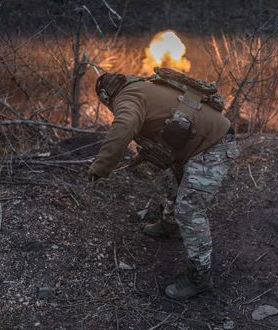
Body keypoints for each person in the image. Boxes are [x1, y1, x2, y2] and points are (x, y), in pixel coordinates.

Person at [87, 70, 239, 300]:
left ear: (107, 97)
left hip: (213, 145)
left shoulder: (127, 98)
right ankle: (171, 225)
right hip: (198, 143)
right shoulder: (144, 87)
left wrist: (101, 167)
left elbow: (123, 127)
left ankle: (200, 277)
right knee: (170, 178)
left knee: (190, 212)